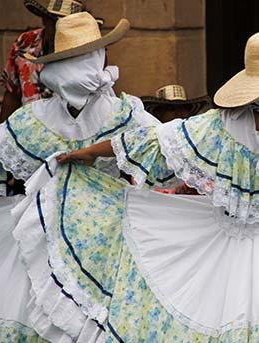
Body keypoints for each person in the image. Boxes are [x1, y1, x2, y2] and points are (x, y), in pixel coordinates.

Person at [54, 32, 259, 342]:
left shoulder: (221, 126)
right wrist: (89, 152)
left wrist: (89, 151)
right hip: (221, 248)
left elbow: (151, 143)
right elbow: (152, 143)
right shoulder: (221, 126)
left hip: (222, 250)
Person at [0, 12, 160, 342]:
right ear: (100, 58)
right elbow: (169, 152)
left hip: (48, 240)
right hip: (106, 241)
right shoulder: (125, 115)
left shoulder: (33, 121)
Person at [0, 0, 86, 196]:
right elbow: (12, 94)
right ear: (45, 19)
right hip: (27, 141)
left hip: (67, 145)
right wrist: (3, 140)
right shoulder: (25, 42)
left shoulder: (85, 47)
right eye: (56, 21)